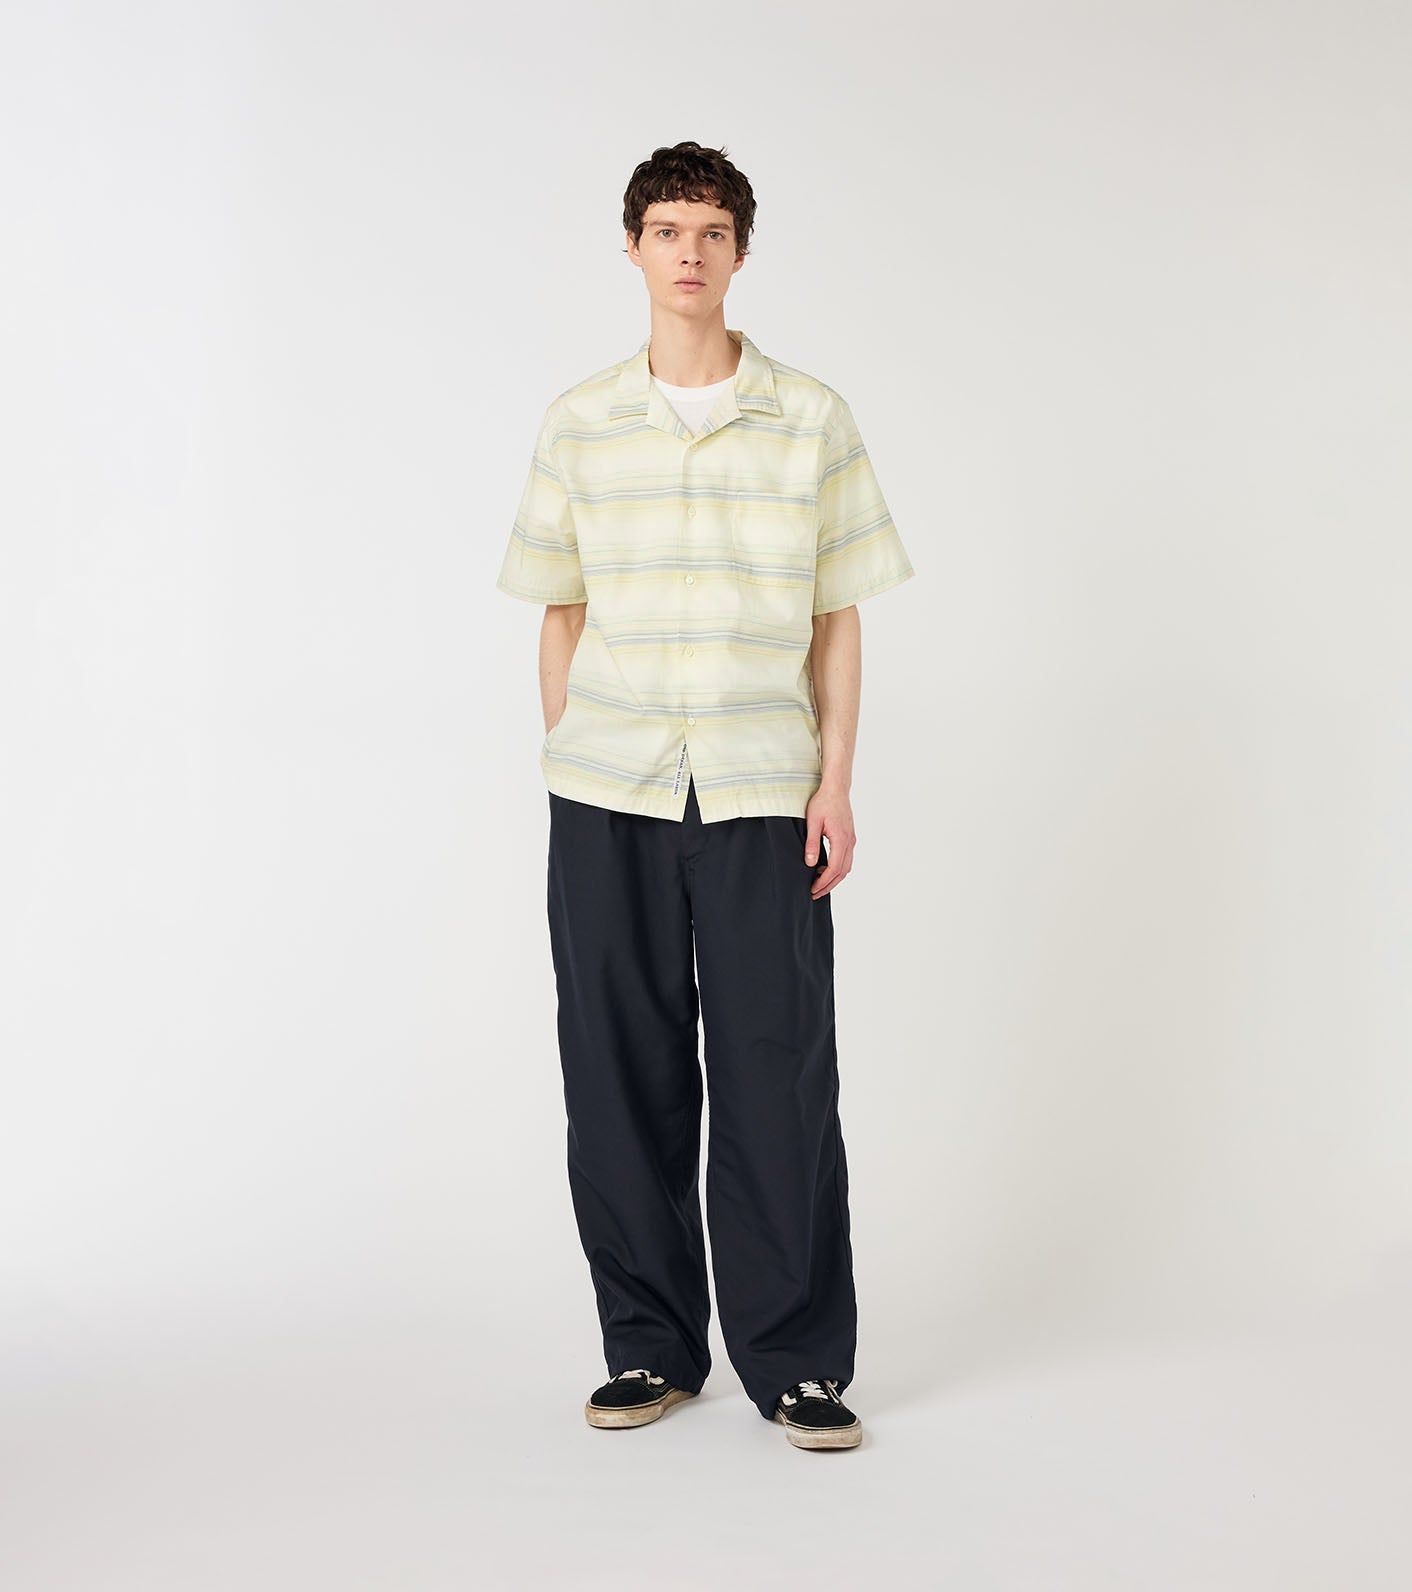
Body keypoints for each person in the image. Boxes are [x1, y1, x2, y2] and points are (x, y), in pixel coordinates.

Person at [495, 140, 915, 1451]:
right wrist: (581, 753)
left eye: (711, 232)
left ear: (740, 253)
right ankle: (649, 1346)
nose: (689, 252)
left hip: (759, 789)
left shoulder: (811, 419)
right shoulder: (579, 421)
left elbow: (837, 617)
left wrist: (835, 782)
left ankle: (797, 1361)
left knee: (776, 1073)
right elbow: (558, 611)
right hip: (606, 794)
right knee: (618, 1069)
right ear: (633, 248)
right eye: (668, 230)